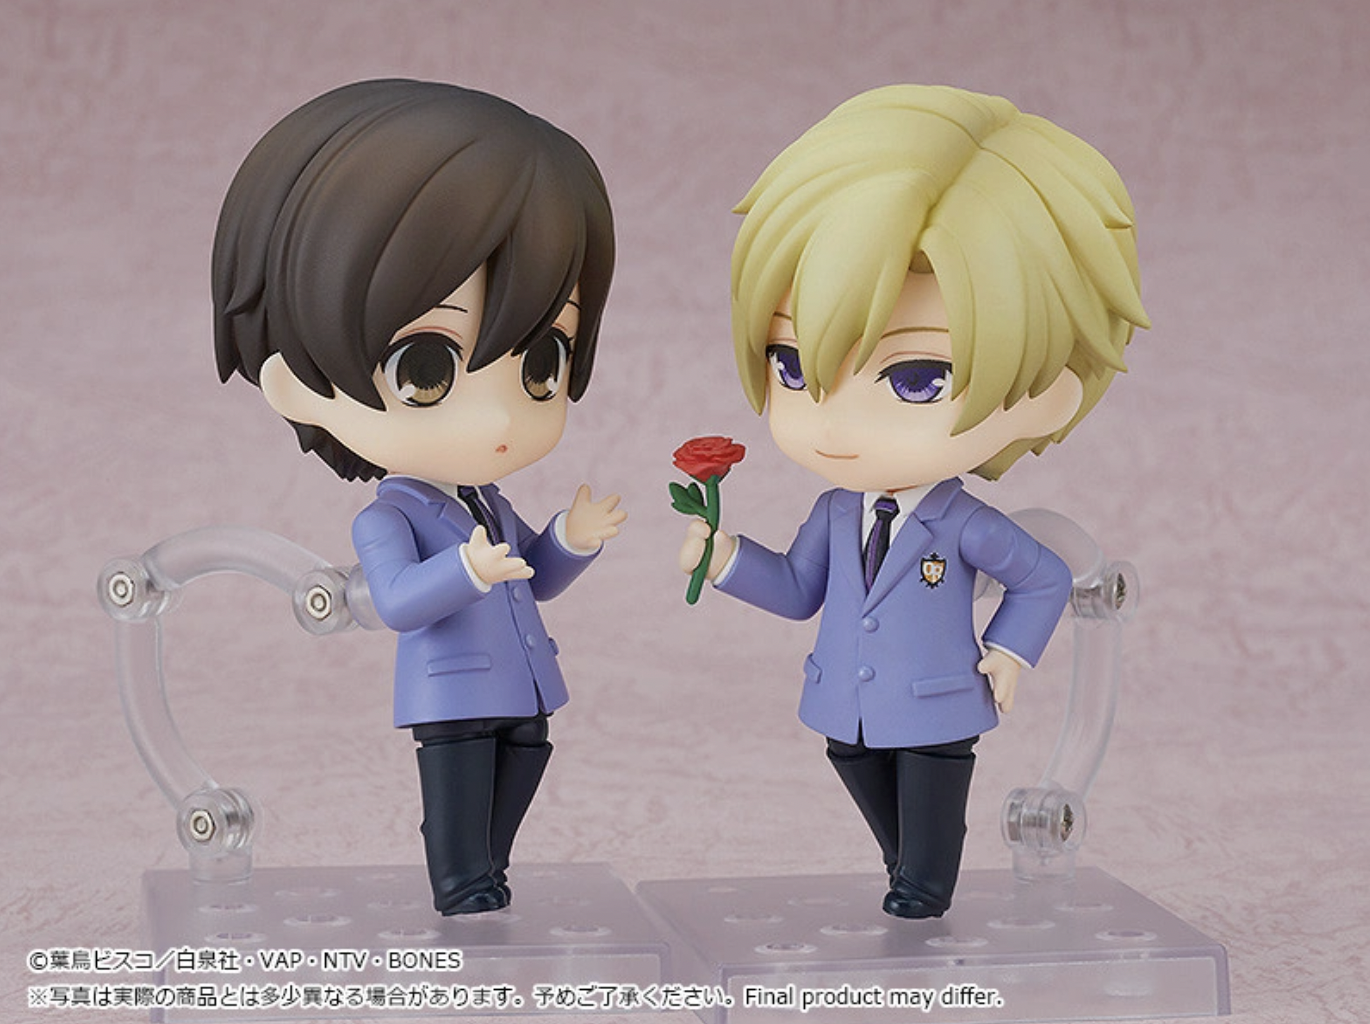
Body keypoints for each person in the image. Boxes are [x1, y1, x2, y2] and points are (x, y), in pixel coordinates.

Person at [680, 84, 1148, 918]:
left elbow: (1043, 576)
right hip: (847, 707)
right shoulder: (834, 513)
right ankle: (908, 872)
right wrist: (726, 560)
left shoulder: (961, 522)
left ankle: (921, 892)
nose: (834, 423)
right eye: (793, 365)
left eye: (916, 378)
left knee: (925, 842)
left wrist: (1009, 653)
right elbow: (799, 589)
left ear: (1047, 394)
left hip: (937, 705)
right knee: (858, 771)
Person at [214, 79, 623, 914]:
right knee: (462, 808)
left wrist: (570, 539)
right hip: (452, 692)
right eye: (427, 367)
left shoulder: (486, 501)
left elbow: (533, 575)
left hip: (525, 687)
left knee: (521, 771)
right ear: (294, 385)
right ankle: (464, 887)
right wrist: (468, 571)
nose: (502, 416)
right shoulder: (390, 517)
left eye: (542, 361)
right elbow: (399, 601)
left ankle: (485, 875)